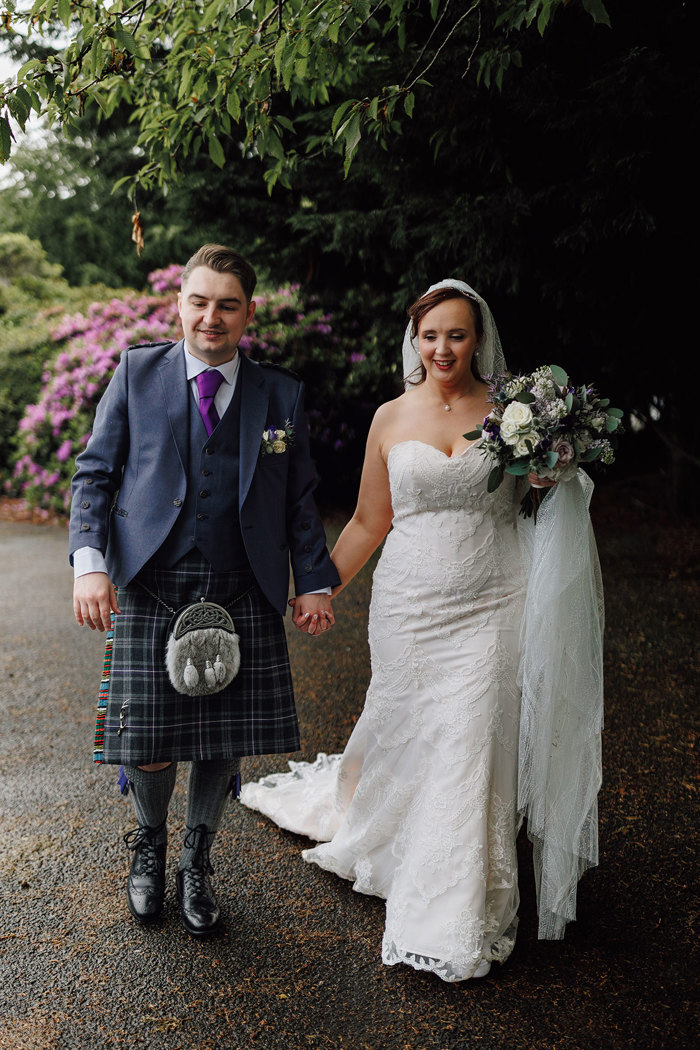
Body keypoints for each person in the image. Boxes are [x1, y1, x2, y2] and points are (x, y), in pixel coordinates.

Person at [240, 279, 603, 981]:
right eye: (431, 334)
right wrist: (318, 585)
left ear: (479, 340)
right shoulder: (389, 417)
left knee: (473, 737)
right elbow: (370, 521)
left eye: (457, 335)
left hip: (496, 598)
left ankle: (454, 906)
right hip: (409, 606)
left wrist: (556, 470)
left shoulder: (513, 414)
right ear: (415, 339)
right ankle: (394, 833)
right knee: (409, 726)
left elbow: (543, 498)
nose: (443, 348)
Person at [69, 243, 339, 937]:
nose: (210, 317)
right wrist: (90, 563)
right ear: (179, 303)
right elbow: (94, 476)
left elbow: (299, 501)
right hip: (153, 582)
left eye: (226, 304)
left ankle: (197, 862)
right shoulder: (136, 372)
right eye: (199, 301)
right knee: (151, 740)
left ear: (248, 312)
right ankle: (150, 846)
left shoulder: (279, 391)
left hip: (242, 583)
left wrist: (312, 582)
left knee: (220, 740)